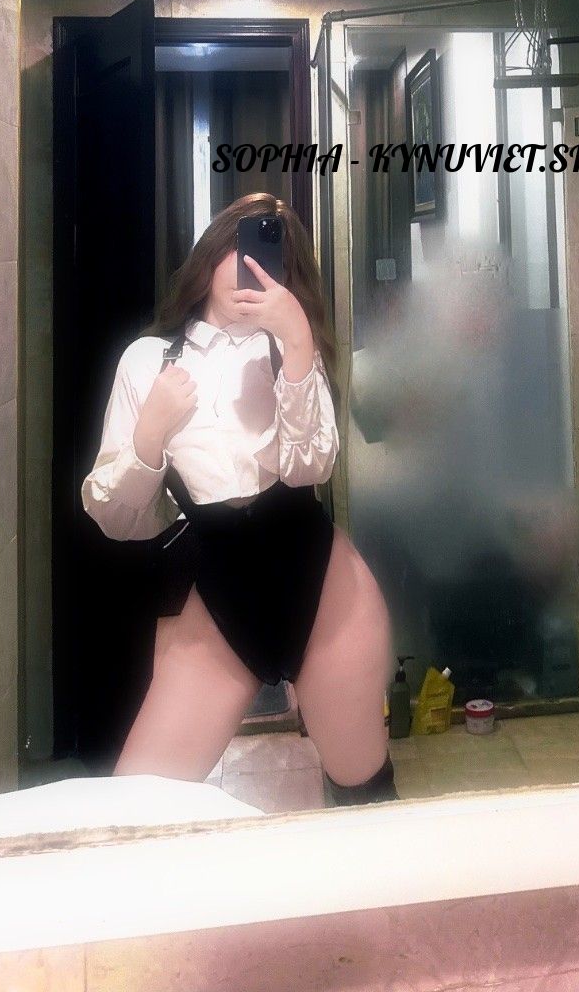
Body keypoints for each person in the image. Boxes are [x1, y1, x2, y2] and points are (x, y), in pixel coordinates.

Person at [80, 190, 398, 806]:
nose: (249, 265)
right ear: (211, 253)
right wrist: (149, 435)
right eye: (238, 245)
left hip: (326, 588)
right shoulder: (148, 361)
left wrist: (299, 346)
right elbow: (118, 521)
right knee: (138, 806)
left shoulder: (288, 347)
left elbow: (311, 469)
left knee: (365, 796)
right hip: (221, 599)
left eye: (269, 256)